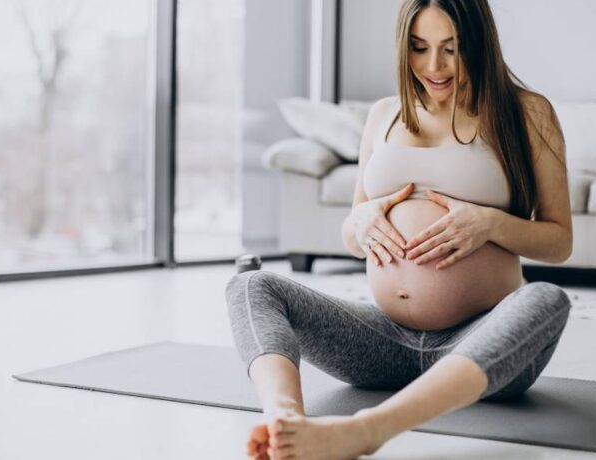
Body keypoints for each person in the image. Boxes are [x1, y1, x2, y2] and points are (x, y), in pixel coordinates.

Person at [225, 0, 573, 458]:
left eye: (452, 48)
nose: (434, 66)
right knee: (251, 285)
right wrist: (362, 219)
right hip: (385, 342)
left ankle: (368, 430)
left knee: (547, 299)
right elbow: (351, 236)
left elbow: (559, 241)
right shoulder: (383, 115)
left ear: (480, 43)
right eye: (419, 47)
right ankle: (283, 418)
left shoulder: (527, 113)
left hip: (482, 343)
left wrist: (490, 223)